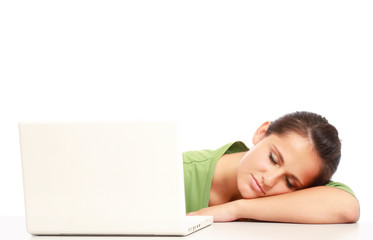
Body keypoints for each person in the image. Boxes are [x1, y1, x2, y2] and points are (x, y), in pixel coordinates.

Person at [183, 111, 360, 223]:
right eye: (273, 158)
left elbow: (347, 207)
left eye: (290, 183)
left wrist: (236, 209)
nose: (269, 180)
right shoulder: (180, 170)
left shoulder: (297, 200)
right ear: (261, 134)